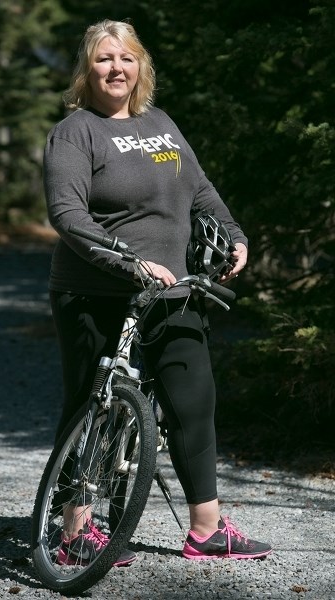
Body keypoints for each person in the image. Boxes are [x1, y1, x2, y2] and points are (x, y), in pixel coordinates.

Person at [43, 18, 272, 565]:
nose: (115, 68)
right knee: (87, 406)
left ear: (140, 65)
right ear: (87, 69)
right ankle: (75, 531)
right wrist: (127, 261)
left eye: (125, 58)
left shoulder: (161, 124)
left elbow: (200, 191)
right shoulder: (76, 133)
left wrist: (235, 236)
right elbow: (67, 214)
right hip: (94, 289)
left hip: (171, 289)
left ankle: (207, 530)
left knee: (194, 402)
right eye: (103, 59)